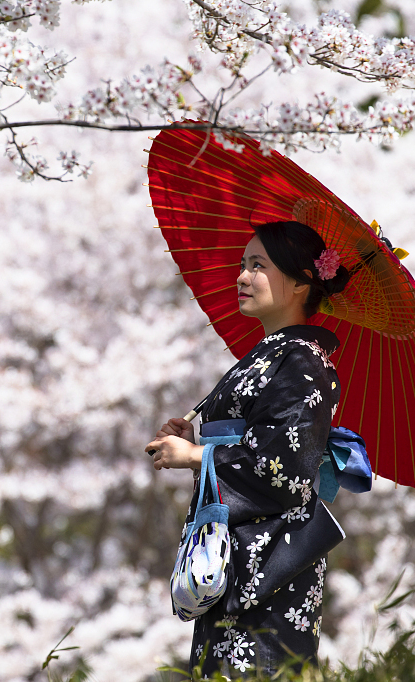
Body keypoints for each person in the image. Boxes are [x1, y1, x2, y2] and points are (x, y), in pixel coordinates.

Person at [146, 220, 352, 677]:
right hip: (237, 554)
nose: (242, 277)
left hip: (271, 565)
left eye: (258, 266)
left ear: (301, 281)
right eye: (243, 265)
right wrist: (193, 438)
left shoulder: (301, 359)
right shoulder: (269, 354)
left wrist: (197, 457)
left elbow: (284, 466)